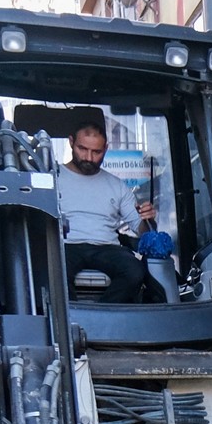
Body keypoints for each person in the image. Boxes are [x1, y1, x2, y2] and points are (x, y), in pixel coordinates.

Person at [56, 119, 157, 303]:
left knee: (134, 271)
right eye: (82, 149)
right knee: (54, 269)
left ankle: (104, 316)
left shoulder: (117, 186)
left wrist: (148, 218)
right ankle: (70, 321)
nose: (88, 157)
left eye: (96, 152)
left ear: (106, 148)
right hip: (65, 245)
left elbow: (141, 230)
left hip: (106, 247)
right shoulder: (52, 177)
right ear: (71, 142)